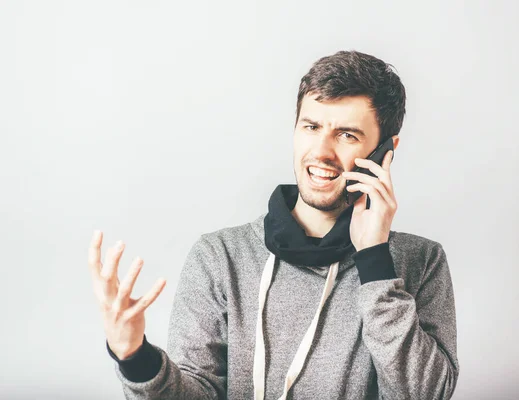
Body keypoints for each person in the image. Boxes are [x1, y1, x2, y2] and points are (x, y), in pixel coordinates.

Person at [88, 50, 459, 400]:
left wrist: (375, 262)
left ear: (385, 151)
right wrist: (135, 357)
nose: (322, 152)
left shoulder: (420, 261)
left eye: (347, 135)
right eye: (311, 126)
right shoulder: (221, 257)